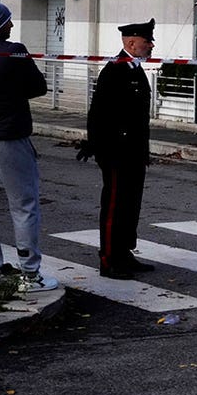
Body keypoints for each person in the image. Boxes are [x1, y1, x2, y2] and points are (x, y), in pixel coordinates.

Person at [0, 0, 57, 293]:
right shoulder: (14, 51)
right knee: (24, 204)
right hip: (9, 135)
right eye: (8, 21)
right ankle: (30, 274)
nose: (12, 25)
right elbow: (38, 87)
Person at [77, 19, 156, 279]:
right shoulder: (115, 70)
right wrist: (94, 144)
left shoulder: (134, 69)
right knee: (114, 206)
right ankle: (109, 258)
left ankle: (123, 252)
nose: (151, 45)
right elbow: (99, 112)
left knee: (130, 204)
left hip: (133, 151)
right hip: (116, 152)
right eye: (147, 41)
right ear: (131, 42)